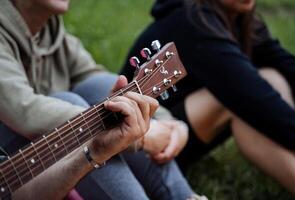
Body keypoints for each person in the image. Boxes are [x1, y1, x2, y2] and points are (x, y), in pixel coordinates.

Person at [0, 0, 202, 199]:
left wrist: (168, 123)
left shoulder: (51, 34)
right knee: (72, 103)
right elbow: (25, 112)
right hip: (11, 164)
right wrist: (140, 136)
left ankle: (185, 197)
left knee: (101, 86)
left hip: (41, 162)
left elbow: (94, 79)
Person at [120, 0, 295, 197]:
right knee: (239, 103)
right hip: (148, 141)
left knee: (272, 76)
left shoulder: (240, 18)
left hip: (184, 126)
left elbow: (288, 67)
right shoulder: (194, 23)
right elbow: (256, 100)